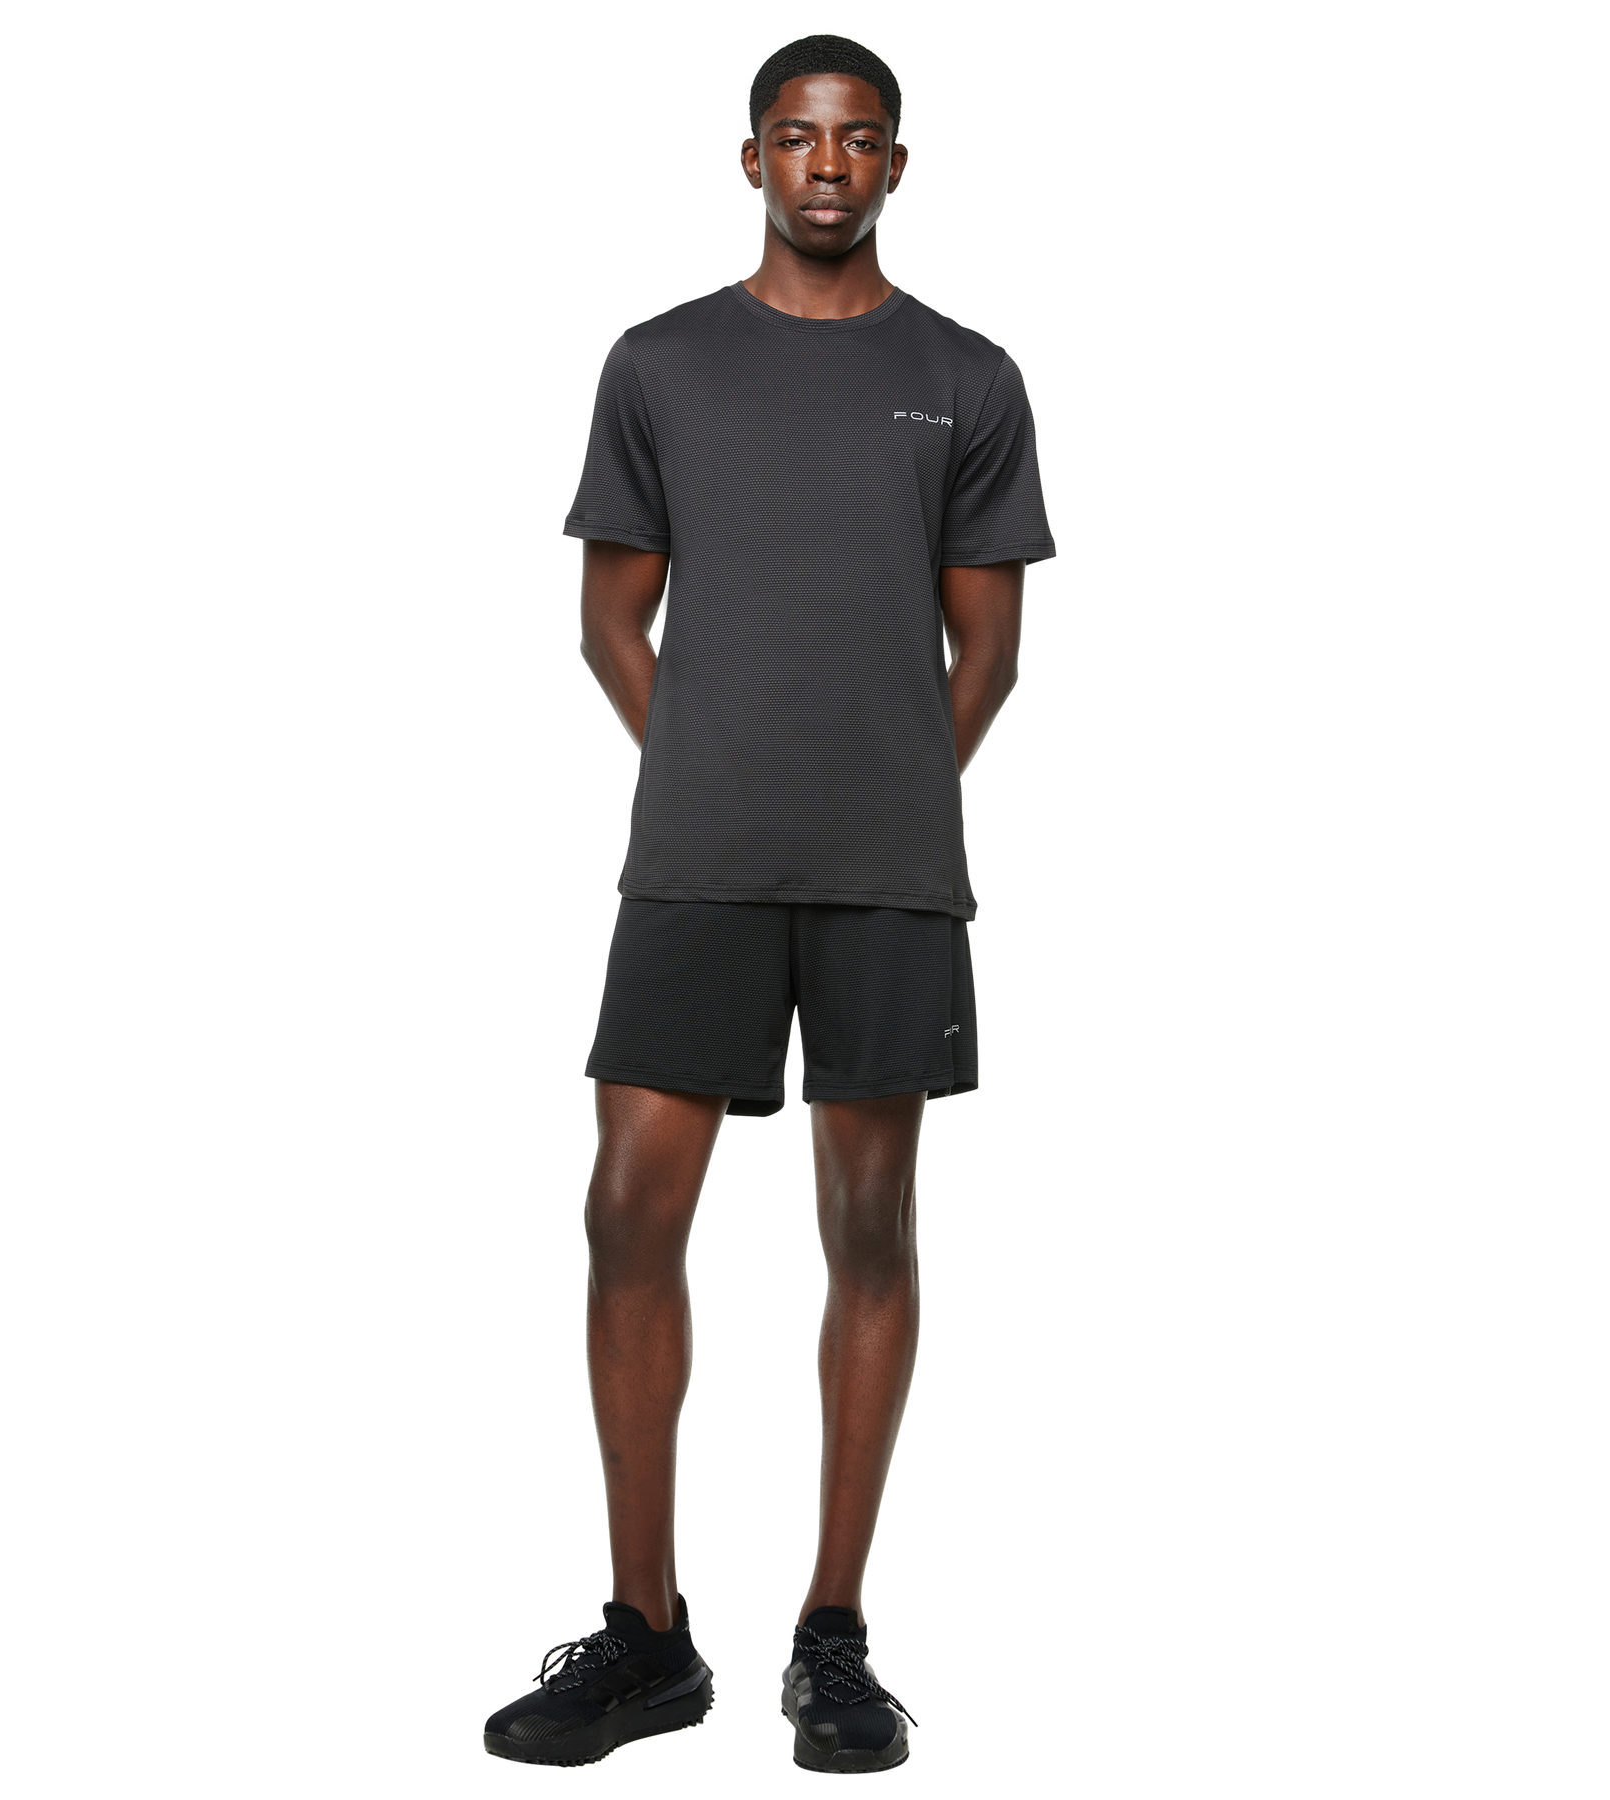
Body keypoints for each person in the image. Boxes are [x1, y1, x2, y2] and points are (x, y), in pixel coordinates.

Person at [480, 27, 1056, 1775]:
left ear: (896, 165)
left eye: (859, 139)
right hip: (698, 860)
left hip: (891, 871)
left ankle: (833, 1632)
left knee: (870, 1223)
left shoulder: (969, 374)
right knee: (626, 1211)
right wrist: (715, 766)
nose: (827, 164)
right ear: (750, 156)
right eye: (797, 136)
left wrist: (882, 783)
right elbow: (610, 617)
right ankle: (646, 1632)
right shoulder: (658, 360)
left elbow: (987, 646)